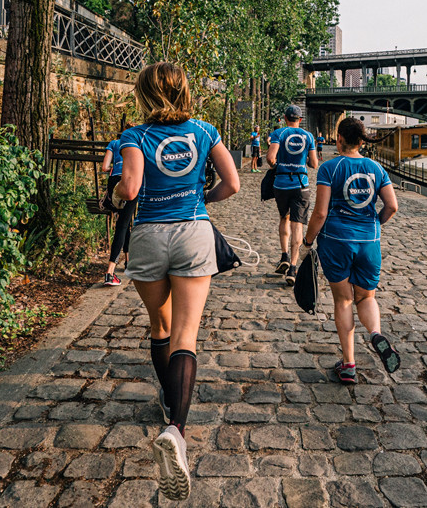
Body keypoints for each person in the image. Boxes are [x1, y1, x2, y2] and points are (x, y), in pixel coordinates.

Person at [114, 61, 240, 500]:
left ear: (145, 94)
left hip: (148, 234)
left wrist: (114, 195)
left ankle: (169, 398)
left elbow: (129, 189)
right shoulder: (204, 130)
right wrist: (201, 197)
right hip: (192, 231)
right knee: (187, 334)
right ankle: (176, 430)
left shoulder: (134, 135)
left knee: (160, 327)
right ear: (184, 90)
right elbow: (233, 183)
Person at [300, 117, 401, 385]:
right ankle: (376, 334)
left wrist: (307, 242)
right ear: (361, 141)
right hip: (369, 242)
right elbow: (392, 206)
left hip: (336, 241)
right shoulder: (376, 168)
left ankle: (348, 364)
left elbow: (320, 213)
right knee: (366, 298)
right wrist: (374, 225)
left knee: (343, 301)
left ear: (340, 139)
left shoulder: (330, 168)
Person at [266, 104, 318, 285]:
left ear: (285, 118)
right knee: (298, 225)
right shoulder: (308, 136)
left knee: (284, 218)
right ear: (300, 120)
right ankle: (293, 268)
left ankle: (284, 256)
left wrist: (278, 166)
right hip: (301, 184)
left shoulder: (278, 134)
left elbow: (270, 159)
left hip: (281, 184)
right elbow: (314, 163)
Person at [101, 124, 138, 286]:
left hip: (114, 182)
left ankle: (128, 260)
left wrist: (114, 168)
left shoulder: (114, 143)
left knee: (124, 222)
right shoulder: (137, 144)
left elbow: (104, 167)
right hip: (129, 182)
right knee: (123, 224)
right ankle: (110, 272)